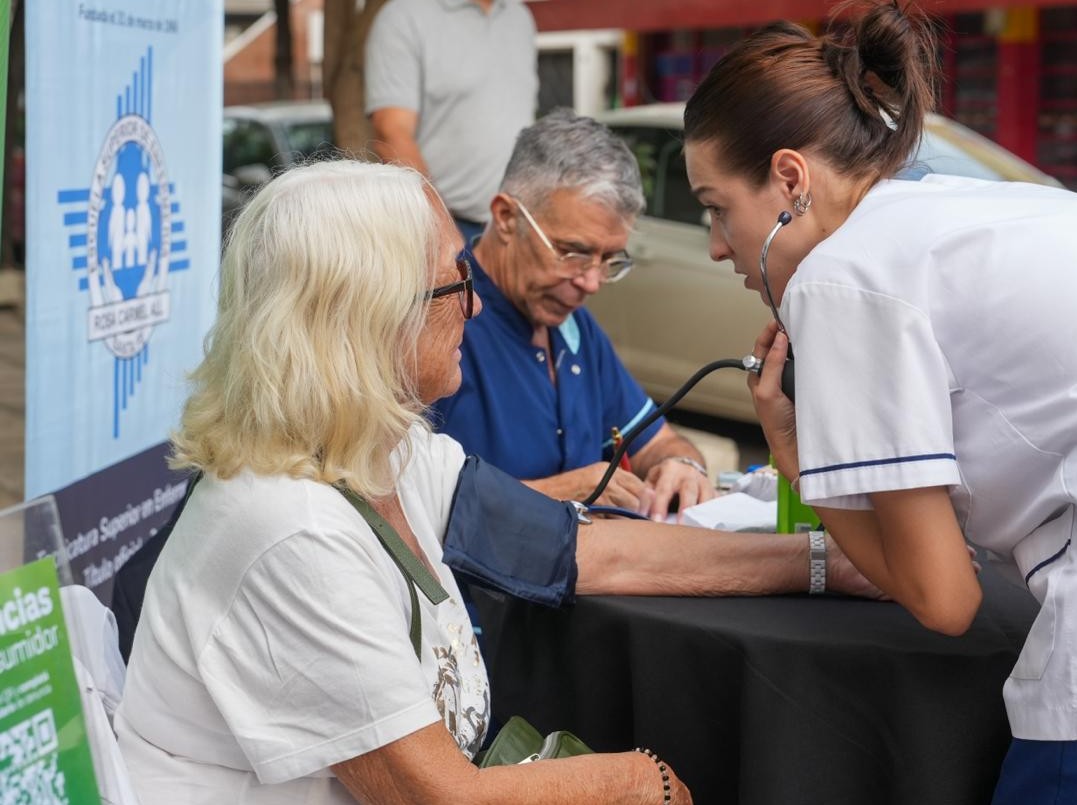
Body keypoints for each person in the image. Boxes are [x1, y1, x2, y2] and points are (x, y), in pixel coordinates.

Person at [116, 159, 886, 804]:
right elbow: (443, 796)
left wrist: (823, 561)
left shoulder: (386, 454)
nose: (477, 304)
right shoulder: (293, 529)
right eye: (454, 284)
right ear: (367, 319)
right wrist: (638, 777)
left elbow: (589, 554)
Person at [682, 7, 1077, 804]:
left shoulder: (842, 275)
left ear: (790, 179)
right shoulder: (976, 210)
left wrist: (793, 454)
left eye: (716, 206)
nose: (717, 244)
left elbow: (943, 598)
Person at [434, 110, 717, 519]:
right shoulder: (438, 319)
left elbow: (657, 442)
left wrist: (680, 467)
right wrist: (564, 492)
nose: (592, 282)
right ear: (507, 218)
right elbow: (406, 505)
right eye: (574, 253)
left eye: (609, 259)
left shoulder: (571, 324)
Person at [365, 0, 536, 241]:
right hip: (451, 225)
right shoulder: (404, 15)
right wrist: (442, 229)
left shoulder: (519, 17)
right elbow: (390, 134)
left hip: (522, 223)